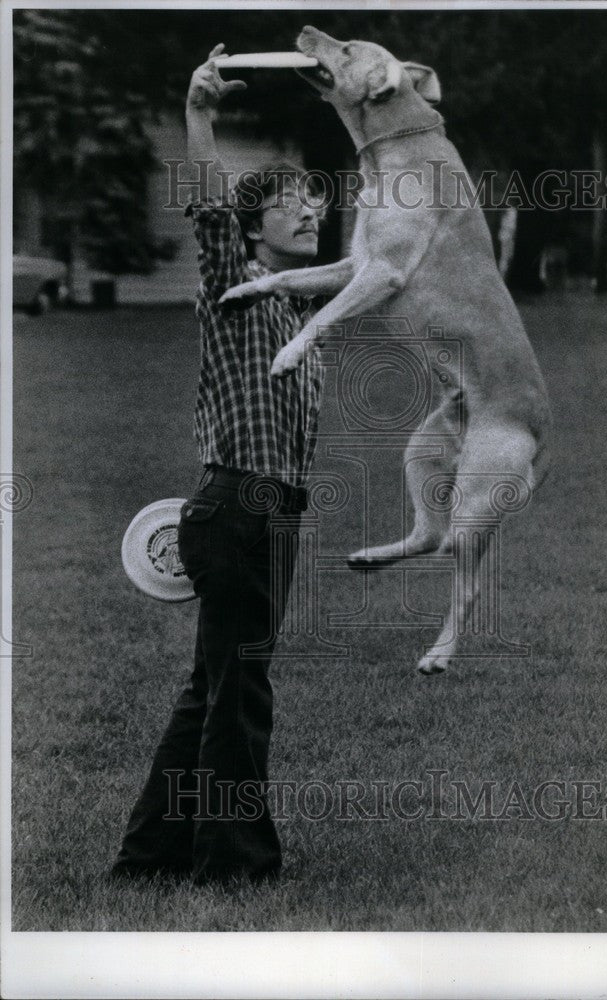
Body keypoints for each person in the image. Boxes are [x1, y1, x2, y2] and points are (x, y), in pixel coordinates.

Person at [111, 44, 325, 886]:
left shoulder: (294, 309)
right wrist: (199, 114)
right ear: (252, 228)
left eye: (313, 200)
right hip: (236, 509)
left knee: (213, 687)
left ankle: (148, 856)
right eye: (290, 205)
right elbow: (206, 211)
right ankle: (232, 865)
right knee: (240, 695)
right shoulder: (235, 289)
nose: (309, 213)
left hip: (266, 515)